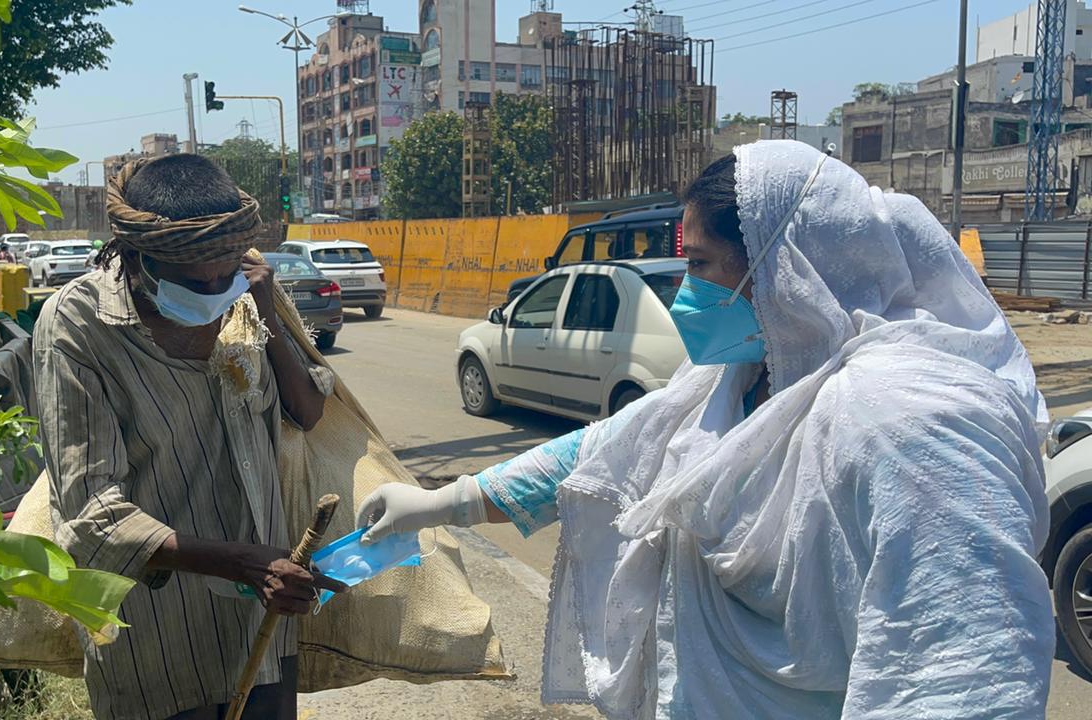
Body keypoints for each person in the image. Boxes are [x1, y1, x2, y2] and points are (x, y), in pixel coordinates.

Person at [358, 141, 1053, 718]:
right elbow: (599, 452)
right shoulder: (736, 381)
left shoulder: (911, 420)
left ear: (784, 268)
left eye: (699, 266)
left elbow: (964, 677)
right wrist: (441, 501)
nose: (685, 295)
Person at [33, 153, 346, 720]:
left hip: (263, 627)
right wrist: (245, 564)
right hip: (157, 641)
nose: (210, 290)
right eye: (189, 279)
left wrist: (265, 308)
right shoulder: (76, 326)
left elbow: (307, 409)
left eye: (223, 272)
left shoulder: (247, 301)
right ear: (136, 256)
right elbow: (89, 512)